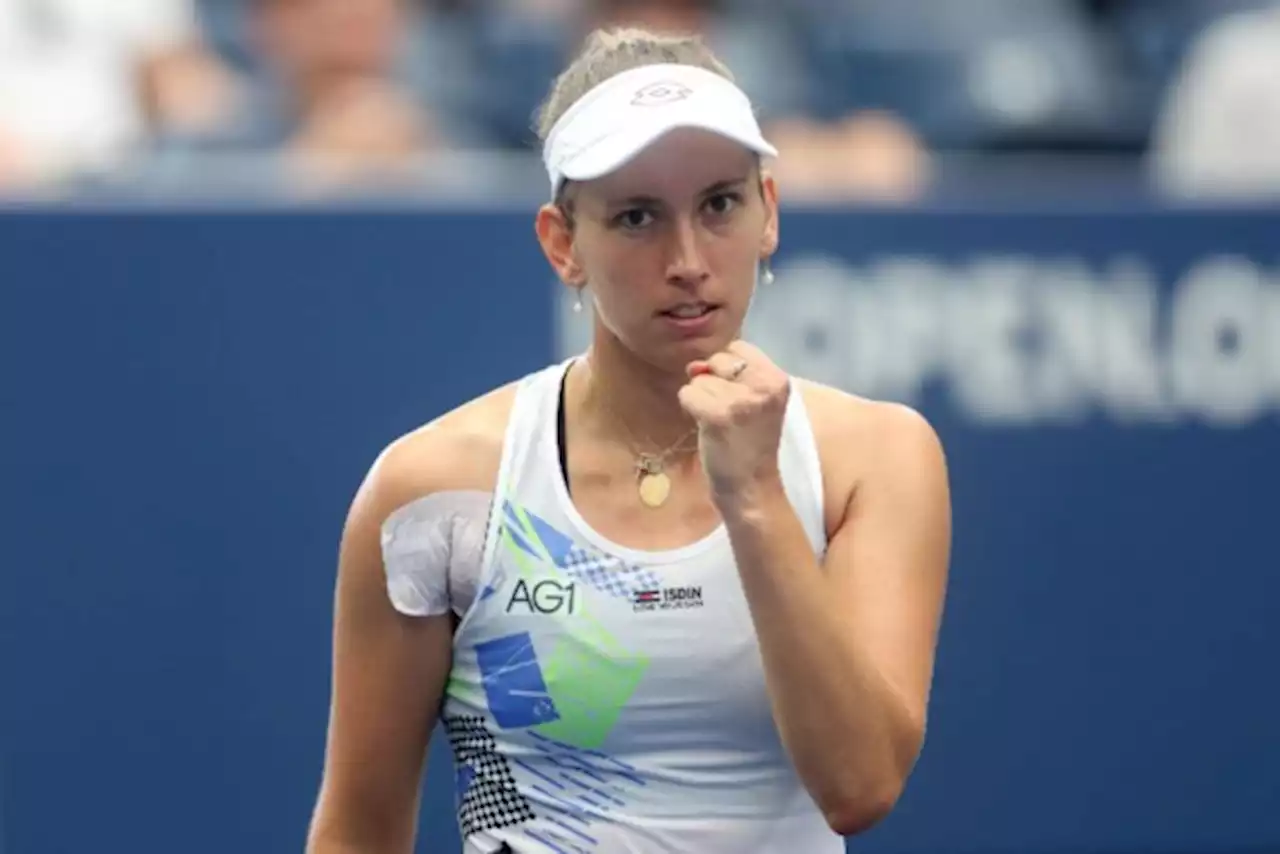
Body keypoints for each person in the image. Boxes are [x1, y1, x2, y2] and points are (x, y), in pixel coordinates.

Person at [306, 25, 951, 854]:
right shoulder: (434, 491)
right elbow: (359, 828)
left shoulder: (876, 459)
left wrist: (754, 498)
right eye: (638, 216)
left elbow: (859, 785)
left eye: (719, 203)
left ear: (769, 214)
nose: (687, 259)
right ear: (563, 243)